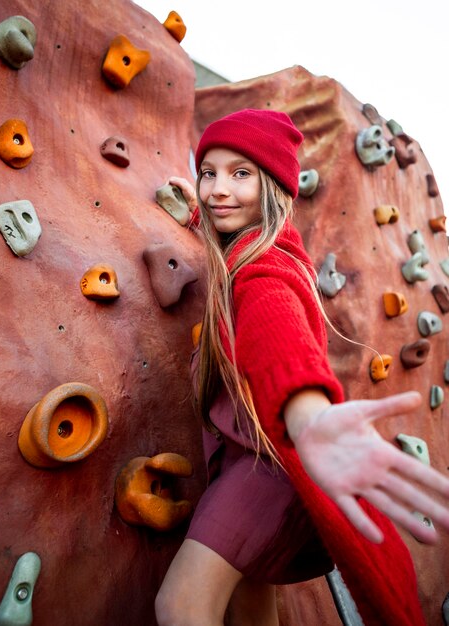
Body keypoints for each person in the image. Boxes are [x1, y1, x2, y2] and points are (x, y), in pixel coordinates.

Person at [154, 109, 449, 626]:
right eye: (209, 173)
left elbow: (278, 340)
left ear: (274, 187)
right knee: (251, 609)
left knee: (181, 605)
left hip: (262, 470)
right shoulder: (257, 248)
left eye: (241, 174)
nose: (218, 189)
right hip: (259, 463)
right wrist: (195, 213)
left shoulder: (265, 272)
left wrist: (308, 415)